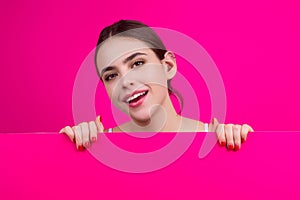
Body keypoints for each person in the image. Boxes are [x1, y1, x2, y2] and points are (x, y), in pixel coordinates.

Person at [59, 20, 254, 151]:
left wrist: (243, 146)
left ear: (168, 65)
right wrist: (64, 150)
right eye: (111, 76)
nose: (125, 82)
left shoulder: (213, 138)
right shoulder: (98, 144)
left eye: (137, 63)